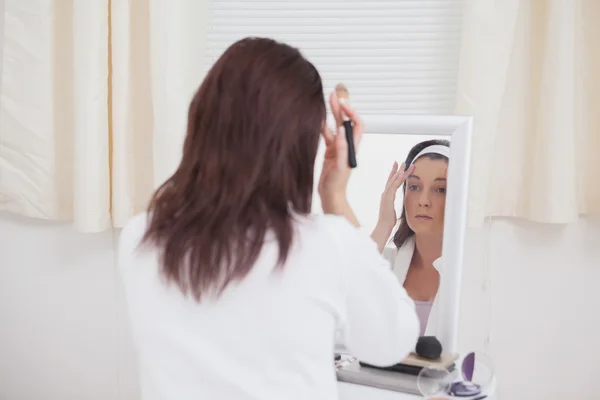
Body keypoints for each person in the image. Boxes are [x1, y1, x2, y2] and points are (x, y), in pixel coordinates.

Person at [117, 37, 419, 400]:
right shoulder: (325, 245)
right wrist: (335, 197)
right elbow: (394, 341)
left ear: (203, 120)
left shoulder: (142, 236)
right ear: (300, 146)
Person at [370, 139, 450, 337]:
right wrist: (382, 226)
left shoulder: (472, 275)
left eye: (440, 189)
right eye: (414, 187)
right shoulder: (383, 262)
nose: (423, 201)